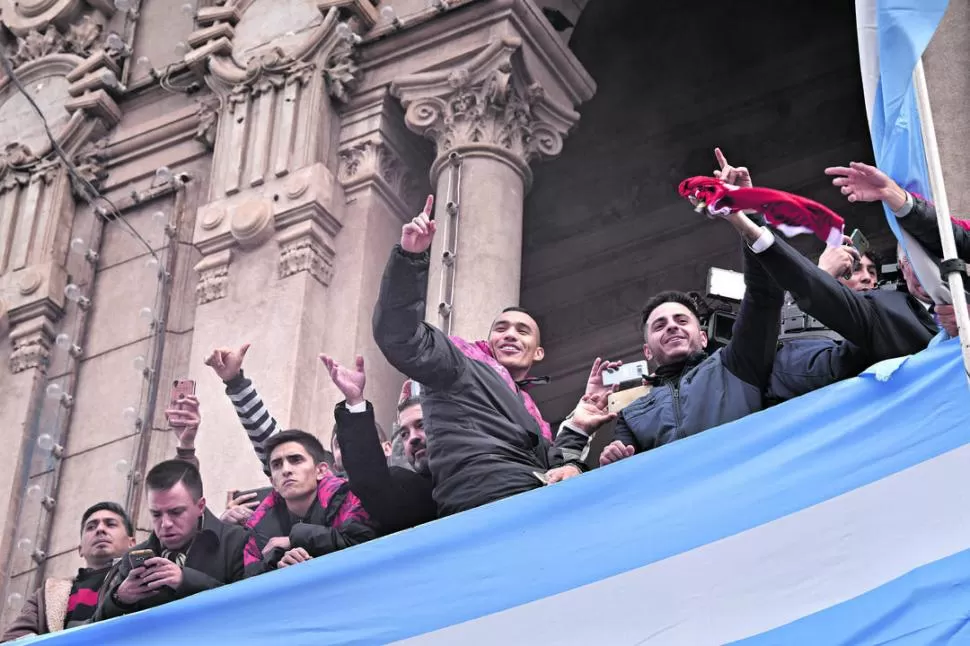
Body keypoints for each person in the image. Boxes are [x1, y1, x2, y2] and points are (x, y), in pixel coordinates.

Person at [373, 196, 618, 515]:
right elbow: (400, 336)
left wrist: (577, 428)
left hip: (529, 499)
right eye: (501, 328)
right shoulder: (458, 364)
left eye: (522, 330)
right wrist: (410, 258)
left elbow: (549, 467)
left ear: (539, 351)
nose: (510, 335)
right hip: (485, 505)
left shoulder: (530, 413)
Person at [95, 397, 247, 621]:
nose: (165, 524)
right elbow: (99, 630)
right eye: (156, 514)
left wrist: (185, 581)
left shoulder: (235, 542)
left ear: (200, 506)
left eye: (176, 512)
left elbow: (248, 607)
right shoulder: (133, 559)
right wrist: (119, 599)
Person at [826, 161, 968, 337]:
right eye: (919, 260)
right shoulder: (889, 317)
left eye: (872, 271)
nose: (867, 279)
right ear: (901, 266)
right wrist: (823, 274)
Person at [321, 354, 437, 533]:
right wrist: (355, 403)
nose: (413, 438)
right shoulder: (413, 490)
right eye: (404, 434)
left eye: (421, 425)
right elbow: (371, 482)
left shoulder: (483, 465)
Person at [242, 430, 376, 577]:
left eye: (296, 460)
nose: (286, 470)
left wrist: (296, 539)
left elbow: (366, 546)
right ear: (273, 483)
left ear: (321, 470)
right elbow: (249, 580)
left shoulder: (350, 497)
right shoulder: (258, 526)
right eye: (277, 465)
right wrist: (277, 565)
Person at [1, 503, 135, 641]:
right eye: (91, 527)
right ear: (80, 549)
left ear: (132, 543)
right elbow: (14, 639)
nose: (100, 529)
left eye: (111, 524)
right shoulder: (47, 594)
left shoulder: (142, 576)